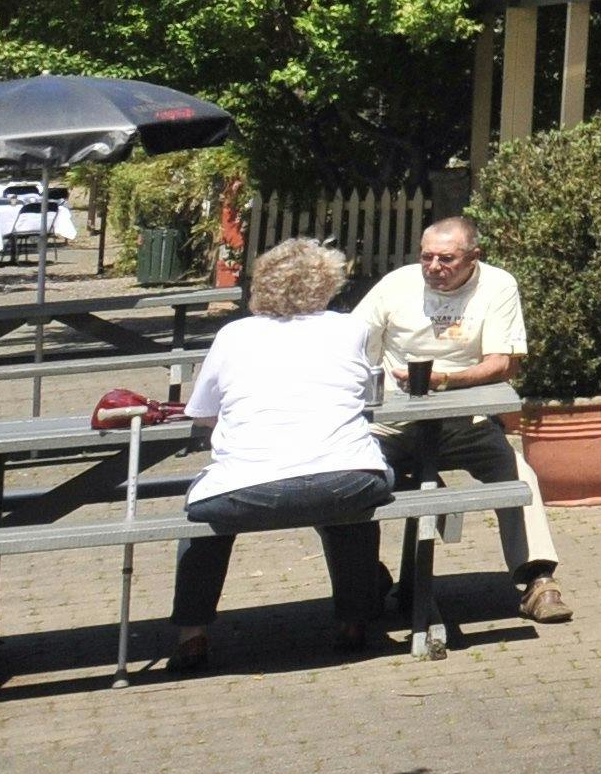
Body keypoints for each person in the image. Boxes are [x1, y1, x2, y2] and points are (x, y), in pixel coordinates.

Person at [167, 237, 393, 671]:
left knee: (201, 513)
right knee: (351, 492)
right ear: (328, 284)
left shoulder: (233, 334)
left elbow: (203, 415)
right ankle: (354, 618)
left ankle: (192, 633)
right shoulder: (349, 329)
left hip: (246, 489)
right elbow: (367, 396)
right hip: (348, 477)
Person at [353, 211, 572, 625]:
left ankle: (538, 579)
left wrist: (444, 382)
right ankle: (365, 578)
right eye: (426, 258)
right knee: (342, 476)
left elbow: (501, 364)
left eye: (446, 260)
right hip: (393, 422)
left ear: (474, 257)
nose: (433, 268)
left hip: (463, 416)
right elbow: (353, 346)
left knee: (517, 473)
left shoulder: (498, 284)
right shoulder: (395, 286)